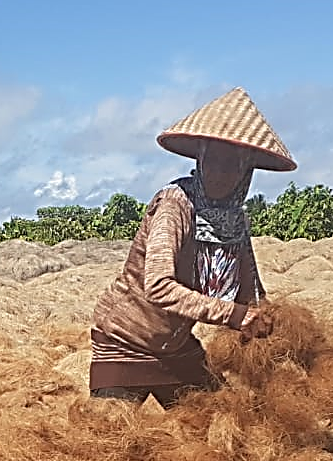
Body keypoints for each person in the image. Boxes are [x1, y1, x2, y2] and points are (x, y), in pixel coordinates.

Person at [89, 87, 298, 407]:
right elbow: (158, 287)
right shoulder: (176, 206)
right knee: (113, 443)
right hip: (125, 342)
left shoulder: (234, 221)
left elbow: (250, 294)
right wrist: (233, 315)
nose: (220, 173)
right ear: (200, 159)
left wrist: (272, 330)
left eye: (232, 165)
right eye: (212, 161)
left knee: (221, 419)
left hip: (176, 348)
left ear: (247, 171)